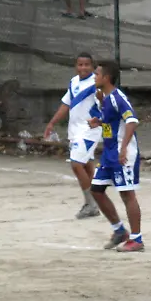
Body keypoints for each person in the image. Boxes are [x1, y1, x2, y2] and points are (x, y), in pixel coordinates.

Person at [87, 60, 145, 252]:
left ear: (106, 77)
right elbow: (112, 121)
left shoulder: (117, 97)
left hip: (122, 153)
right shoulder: (104, 98)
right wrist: (99, 121)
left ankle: (137, 239)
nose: (94, 77)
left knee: (127, 194)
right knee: (96, 189)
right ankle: (119, 230)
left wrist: (123, 149)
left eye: (97, 74)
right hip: (108, 153)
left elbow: (132, 121)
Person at [43, 52, 102, 219]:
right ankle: (95, 203)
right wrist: (52, 122)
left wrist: (100, 121)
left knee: (76, 164)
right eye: (80, 64)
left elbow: (103, 104)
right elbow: (66, 104)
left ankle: (90, 203)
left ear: (92, 66)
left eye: (86, 65)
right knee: (87, 165)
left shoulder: (96, 83)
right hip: (75, 130)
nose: (83, 68)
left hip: (89, 130)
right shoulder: (73, 82)